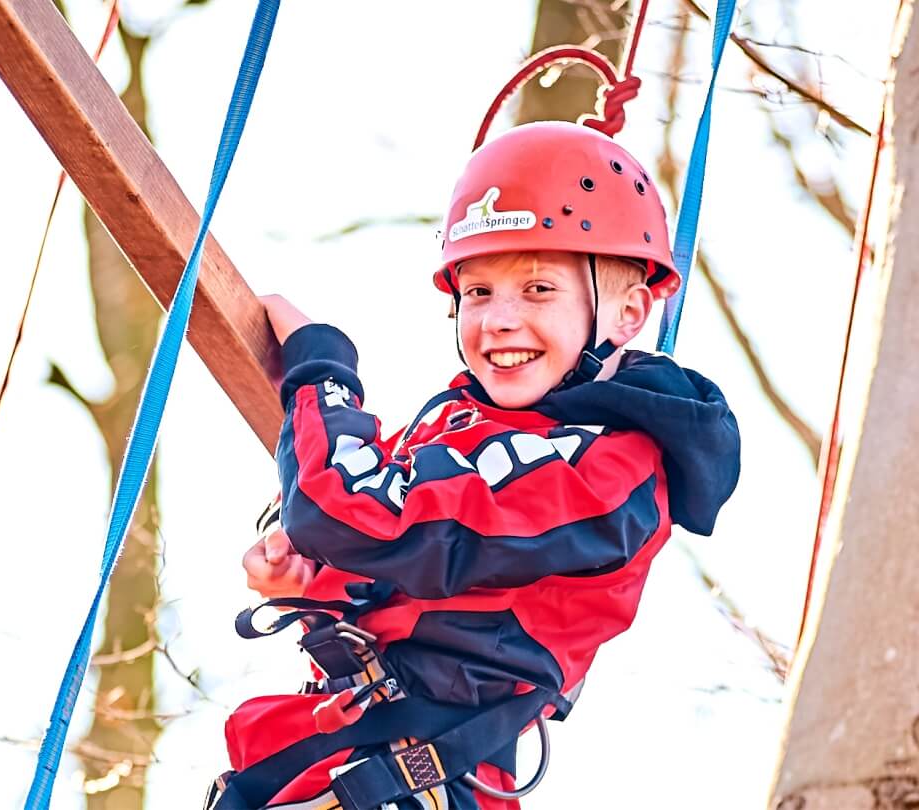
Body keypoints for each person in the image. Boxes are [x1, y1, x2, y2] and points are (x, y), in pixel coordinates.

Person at [205, 122, 743, 810]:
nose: (498, 320)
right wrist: (306, 574)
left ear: (630, 312)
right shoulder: (463, 427)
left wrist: (321, 371)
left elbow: (363, 516)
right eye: (480, 292)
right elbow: (378, 561)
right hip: (333, 762)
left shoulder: (612, 470)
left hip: (413, 781)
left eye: (540, 289)